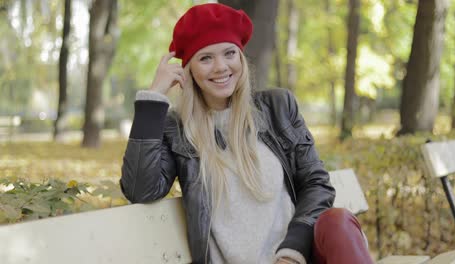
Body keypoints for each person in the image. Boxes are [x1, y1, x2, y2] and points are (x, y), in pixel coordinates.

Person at [120, 3, 373, 264]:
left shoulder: (278, 107)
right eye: (206, 58)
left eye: (229, 53)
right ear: (189, 70)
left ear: (240, 57)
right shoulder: (178, 128)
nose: (221, 67)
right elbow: (141, 190)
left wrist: (292, 252)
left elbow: (316, 184)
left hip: (297, 258)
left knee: (337, 221)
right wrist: (153, 99)